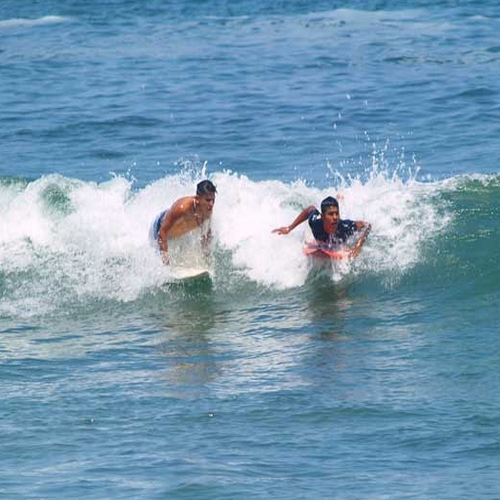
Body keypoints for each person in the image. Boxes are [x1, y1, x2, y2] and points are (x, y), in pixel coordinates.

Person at [272, 196, 371, 259]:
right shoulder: (315, 222)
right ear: (323, 217)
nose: (335, 217)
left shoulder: (345, 227)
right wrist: (289, 228)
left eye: (337, 213)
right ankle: (338, 198)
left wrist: (358, 245)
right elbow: (310, 209)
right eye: (331, 214)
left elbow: (367, 226)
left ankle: (340, 198)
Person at [150, 180, 217, 265]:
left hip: (178, 235)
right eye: (208, 200)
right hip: (157, 228)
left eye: (213, 199)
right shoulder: (182, 208)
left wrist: (206, 255)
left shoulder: (208, 210)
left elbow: (206, 232)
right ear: (197, 199)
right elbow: (162, 233)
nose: (211, 204)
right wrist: (166, 263)